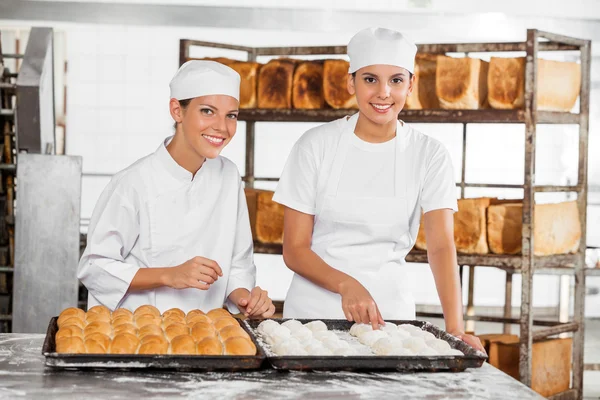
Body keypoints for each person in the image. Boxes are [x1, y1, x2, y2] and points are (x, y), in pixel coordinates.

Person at [273, 27, 484, 351]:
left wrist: (455, 327)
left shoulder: (428, 153)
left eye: (396, 80)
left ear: (410, 84)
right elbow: (295, 249)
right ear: (350, 83)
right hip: (311, 326)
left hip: (390, 324)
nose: (383, 92)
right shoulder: (315, 146)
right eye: (370, 79)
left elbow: (441, 246)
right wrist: (346, 285)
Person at [78, 60, 275, 319]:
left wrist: (246, 298)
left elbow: (238, 263)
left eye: (231, 116)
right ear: (176, 110)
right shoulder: (134, 182)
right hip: (143, 334)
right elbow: (95, 267)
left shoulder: (228, 176)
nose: (222, 127)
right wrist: (169, 275)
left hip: (205, 335)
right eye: (207, 111)